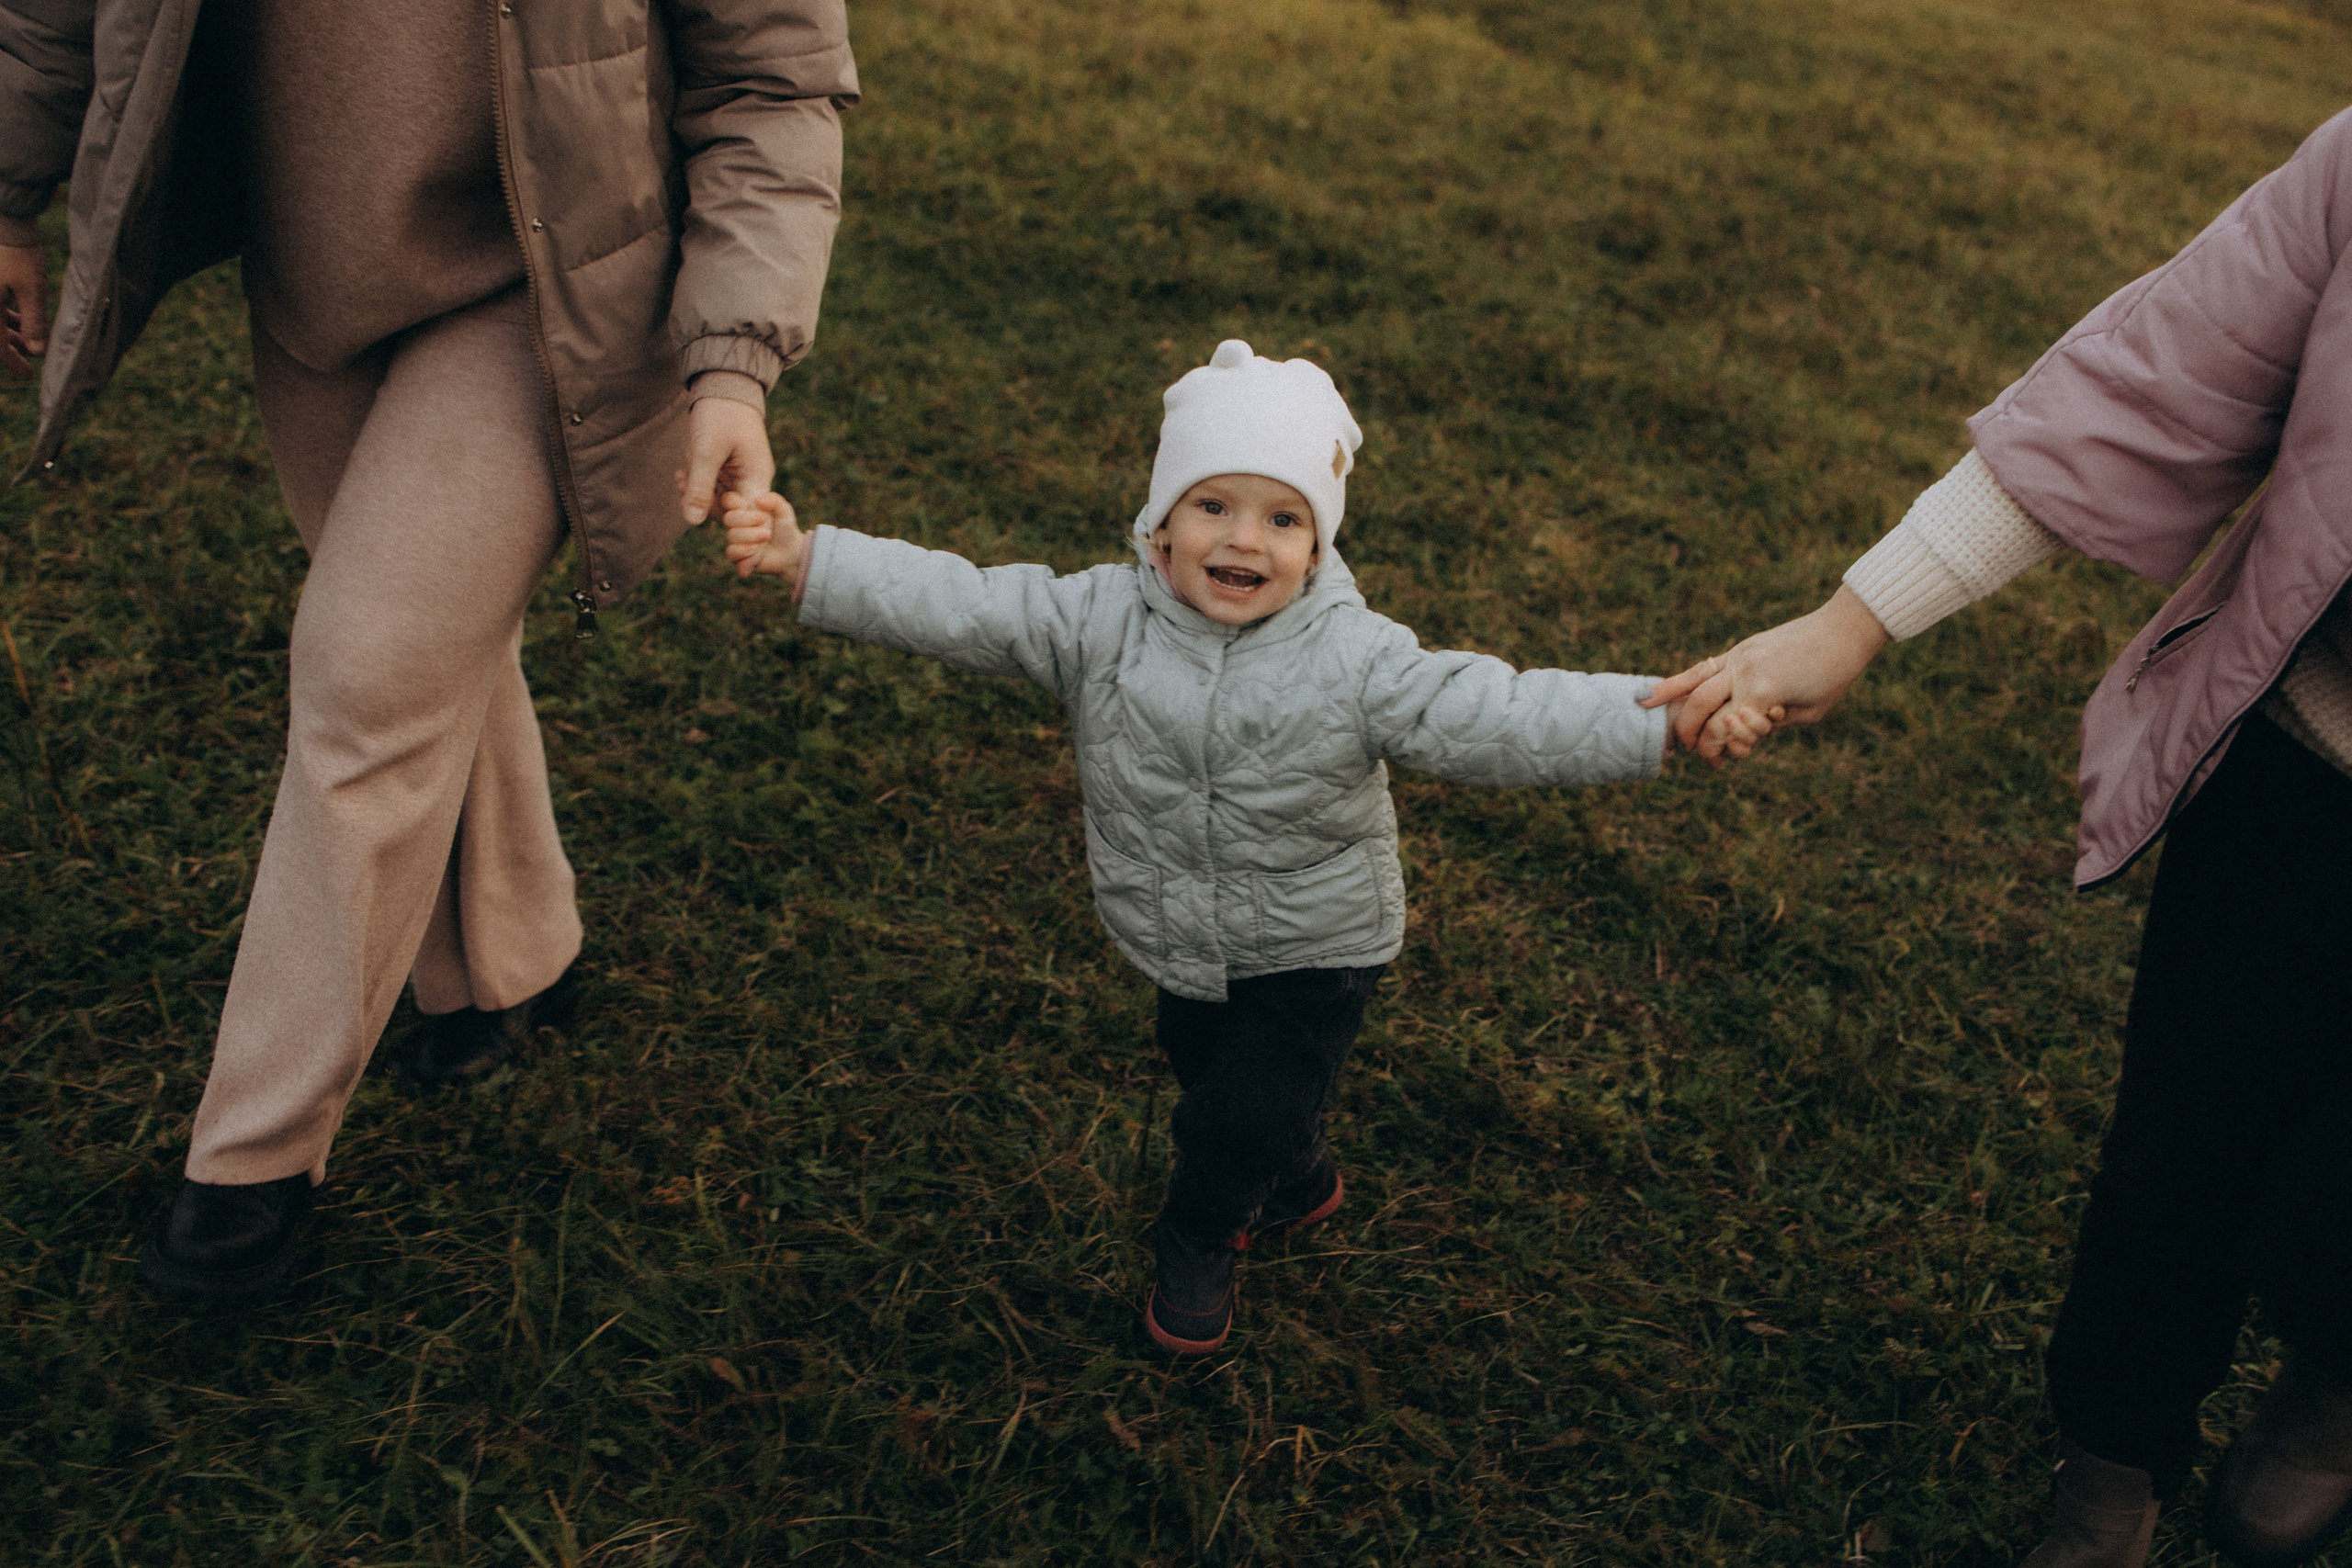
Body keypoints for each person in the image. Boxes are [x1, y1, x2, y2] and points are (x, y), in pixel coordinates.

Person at [0, 0, 858, 1300]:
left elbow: (773, 80)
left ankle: (249, 1162)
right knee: (425, 643)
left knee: (367, 670)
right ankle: (514, 961)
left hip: (555, 297)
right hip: (312, 291)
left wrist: (731, 365)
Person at [1647, 108, 2352, 1568]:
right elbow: (2156, 381)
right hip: (2303, 771)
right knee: (2184, 1148)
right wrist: (1855, 619)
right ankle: (2110, 1458)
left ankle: (2337, 1372)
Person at [718, 338, 1697, 1352]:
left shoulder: (1358, 660)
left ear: (1317, 549)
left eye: (1283, 518)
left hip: (1319, 942)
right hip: (1176, 928)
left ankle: (1199, 1230)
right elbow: (963, 602)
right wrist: (808, 557)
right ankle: (1299, 1176)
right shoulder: (1096, 618)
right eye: (1212, 506)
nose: (1245, 539)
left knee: (1229, 1124)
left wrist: (1654, 720)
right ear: (1159, 528)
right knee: (1206, 1072)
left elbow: (1498, 712)